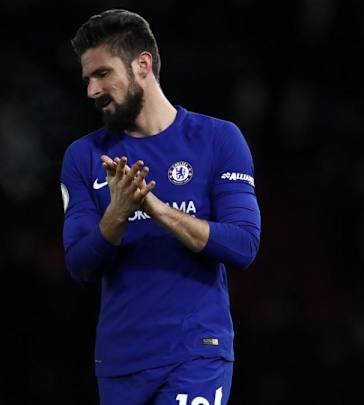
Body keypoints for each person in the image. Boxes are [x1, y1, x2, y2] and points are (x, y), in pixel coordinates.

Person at [60, 9, 261, 405]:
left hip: (196, 353)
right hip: (120, 362)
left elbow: (243, 244)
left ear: (142, 65)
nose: (92, 90)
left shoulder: (218, 139)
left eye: (102, 74)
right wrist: (118, 212)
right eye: (87, 79)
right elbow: (80, 265)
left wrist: (157, 209)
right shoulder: (84, 156)